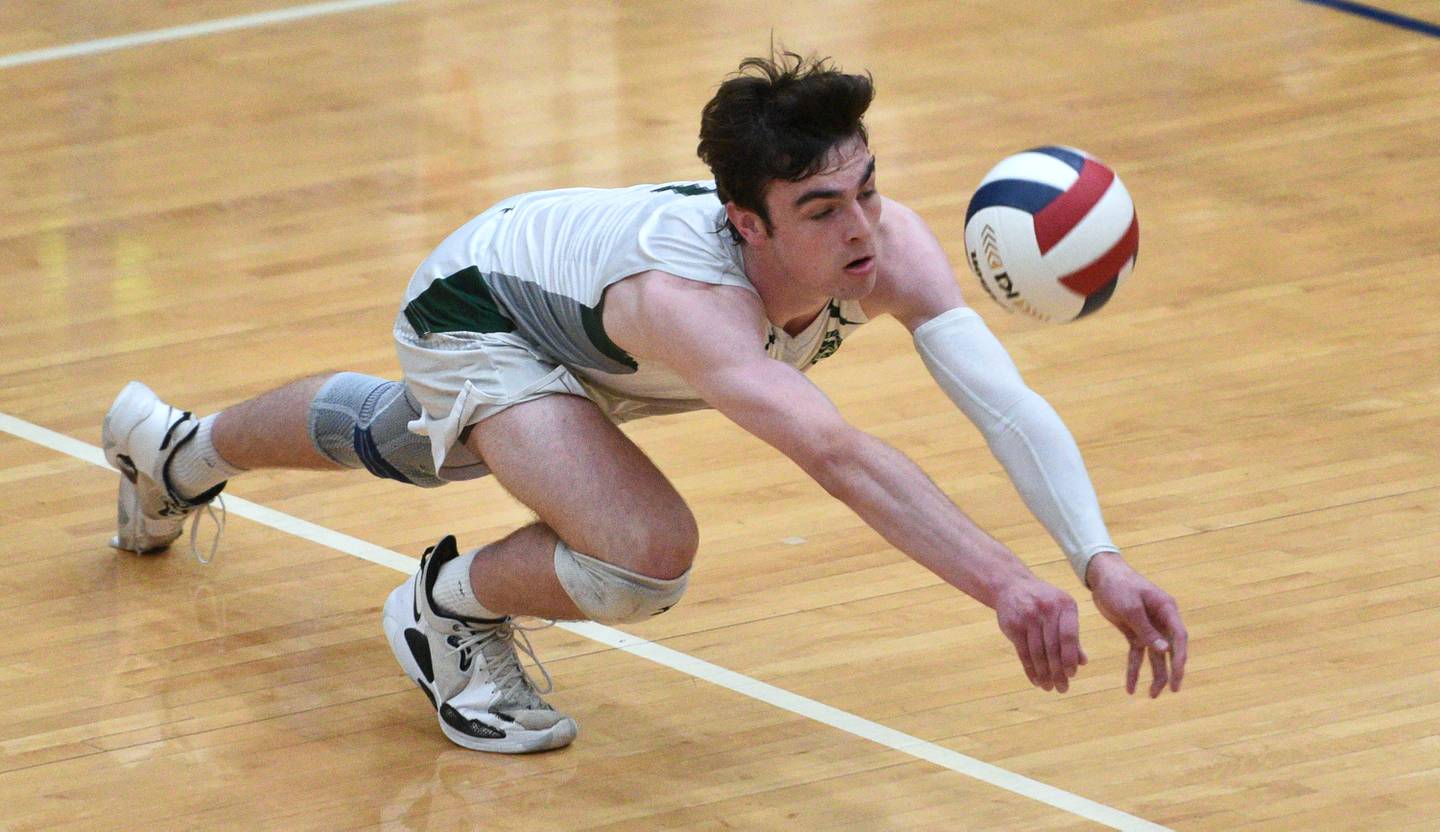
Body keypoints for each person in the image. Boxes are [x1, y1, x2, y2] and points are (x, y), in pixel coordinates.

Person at [101, 51, 1188, 755]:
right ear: (747, 224)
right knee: (642, 551)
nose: (862, 229)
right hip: (481, 306)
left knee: (409, 438)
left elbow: (1001, 401)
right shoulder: (692, 303)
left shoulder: (883, 246)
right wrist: (1005, 584)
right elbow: (842, 457)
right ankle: (447, 605)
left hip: (583, 323)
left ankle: (174, 452)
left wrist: (1097, 558)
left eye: (867, 188)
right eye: (822, 209)